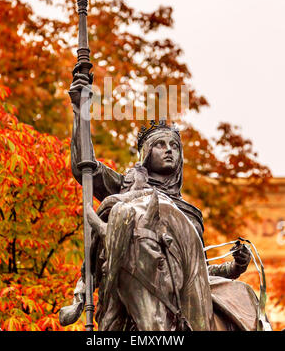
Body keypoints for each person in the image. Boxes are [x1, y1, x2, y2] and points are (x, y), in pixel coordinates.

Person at [59, 67, 251, 326]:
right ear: (147, 153)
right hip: (136, 295)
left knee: (240, 299)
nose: (169, 151)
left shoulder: (190, 212)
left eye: (174, 146)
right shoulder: (126, 188)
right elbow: (84, 166)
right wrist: (80, 109)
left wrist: (235, 268)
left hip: (182, 298)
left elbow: (198, 271)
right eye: (161, 145)